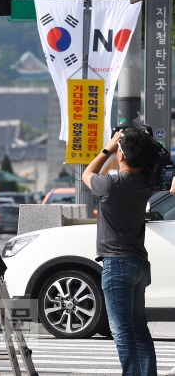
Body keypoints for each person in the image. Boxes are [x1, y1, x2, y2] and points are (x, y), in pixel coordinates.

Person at [82, 128, 159, 376]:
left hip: (117, 265)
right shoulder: (147, 183)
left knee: (122, 331)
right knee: (140, 330)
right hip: (139, 264)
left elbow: (87, 174)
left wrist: (108, 147)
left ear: (121, 155)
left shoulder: (111, 185)